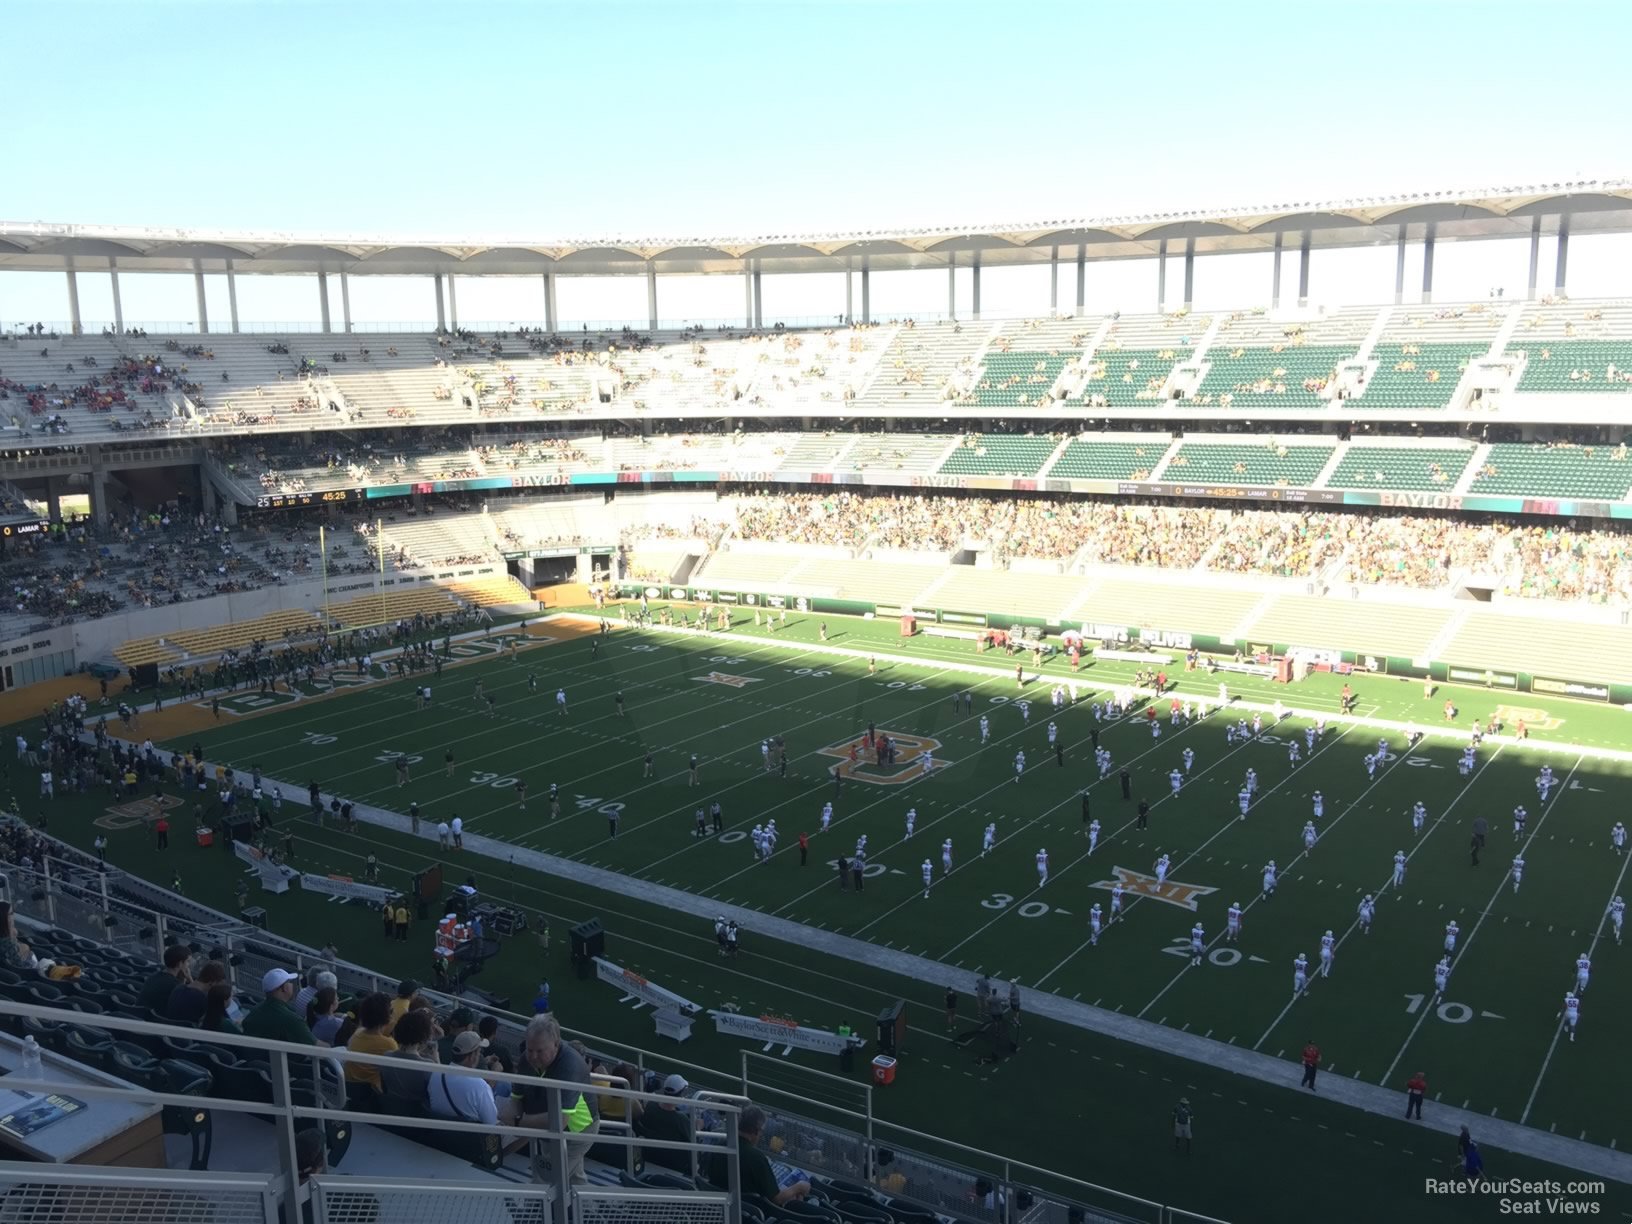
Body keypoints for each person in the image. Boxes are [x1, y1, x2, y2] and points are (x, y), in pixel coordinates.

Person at [503, 1014, 600, 1185]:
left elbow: (559, 1120)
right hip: (548, 1129)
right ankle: (583, 1209)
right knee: (573, 1178)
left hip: (578, 1131)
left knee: (548, 1179)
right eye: (529, 1049)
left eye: (539, 1051)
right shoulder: (527, 1059)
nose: (532, 1056)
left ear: (556, 1045)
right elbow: (516, 1099)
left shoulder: (570, 1065)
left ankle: (537, 1210)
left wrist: (518, 1121)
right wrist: (511, 1123)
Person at [705, 1104, 809, 1204]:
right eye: (761, 1131)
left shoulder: (720, 1145)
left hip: (720, 1206)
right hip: (747, 1213)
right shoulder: (756, 1157)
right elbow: (776, 1199)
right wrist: (799, 1187)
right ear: (755, 1131)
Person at [429, 1030, 499, 1125]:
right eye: (479, 1052)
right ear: (472, 1056)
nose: (479, 1055)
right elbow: (492, 1122)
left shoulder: (435, 1075)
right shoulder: (480, 1086)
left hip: (437, 1133)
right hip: (468, 1138)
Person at [345, 992, 399, 1102]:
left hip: (352, 1091)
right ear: (386, 1016)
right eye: (391, 1011)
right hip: (371, 1096)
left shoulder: (357, 1033)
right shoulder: (388, 1044)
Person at [636, 1074, 695, 1173]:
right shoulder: (681, 1119)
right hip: (674, 1165)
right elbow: (692, 1144)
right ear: (680, 1094)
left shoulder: (650, 1106)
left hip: (649, 1157)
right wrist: (698, 1126)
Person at [241, 969, 317, 1046]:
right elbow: (316, 1045)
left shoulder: (254, 1012)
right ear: (283, 988)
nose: (292, 985)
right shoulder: (292, 1020)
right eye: (289, 982)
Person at [137, 944, 192, 1013]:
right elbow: (192, 1000)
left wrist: (183, 980)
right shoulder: (175, 985)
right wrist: (189, 978)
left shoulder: (154, 976)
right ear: (180, 964)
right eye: (188, 961)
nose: (189, 965)